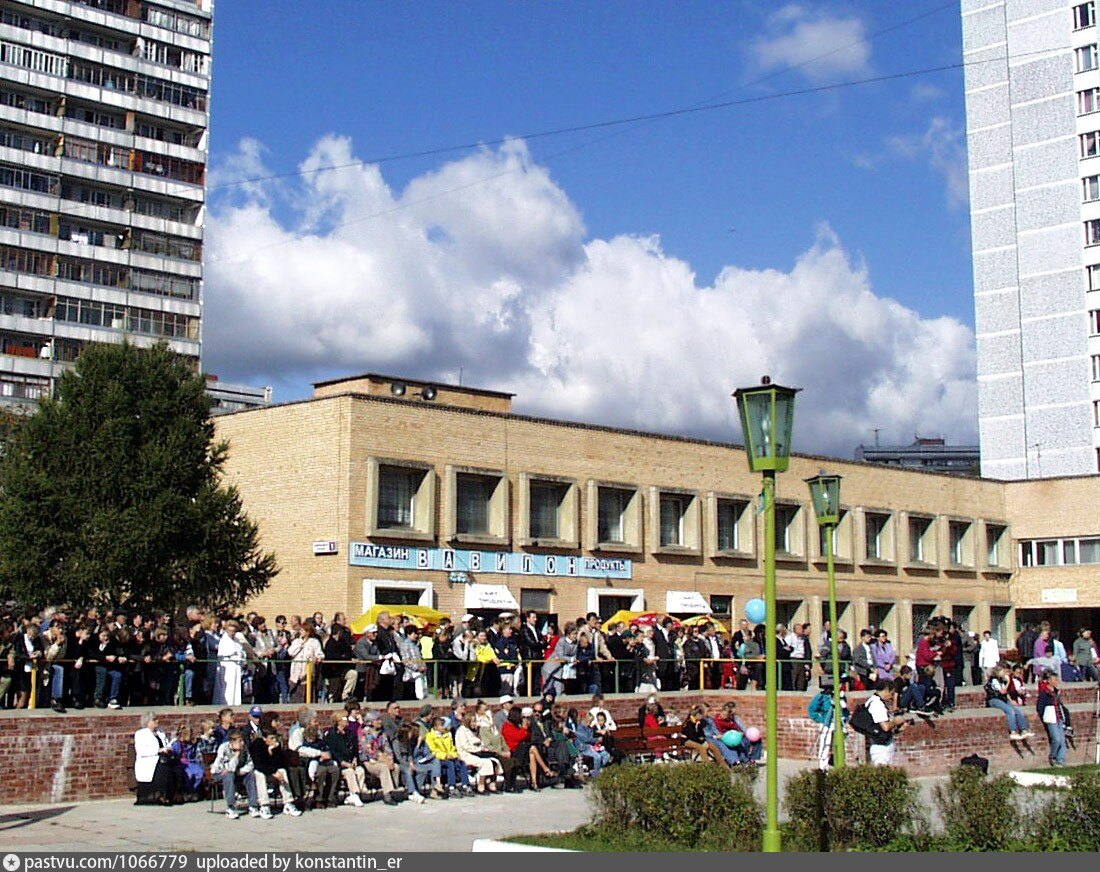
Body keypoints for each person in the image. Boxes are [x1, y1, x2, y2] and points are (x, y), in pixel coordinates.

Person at [856, 679, 910, 766]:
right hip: (881, 748)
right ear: (886, 690)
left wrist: (898, 729)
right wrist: (896, 721)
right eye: (891, 693)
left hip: (882, 744)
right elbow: (885, 727)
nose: (892, 697)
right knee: (883, 771)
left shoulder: (874, 701)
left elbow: (881, 729)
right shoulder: (877, 704)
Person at [209, 729, 261, 819]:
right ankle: (231, 807)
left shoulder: (244, 748)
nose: (242, 743)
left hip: (236, 772)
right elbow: (221, 768)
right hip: (218, 773)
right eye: (239, 741)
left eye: (242, 740)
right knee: (229, 775)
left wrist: (241, 771)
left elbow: (250, 763)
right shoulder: (223, 748)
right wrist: (236, 755)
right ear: (232, 742)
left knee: (250, 774)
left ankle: (253, 806)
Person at [133, 712, 182, 805]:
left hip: (163, 758)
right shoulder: (141, 734)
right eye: (154, 720)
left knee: (175, 764)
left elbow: (166, 744)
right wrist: (158, 751)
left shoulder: (160, 732)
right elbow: (142, 751)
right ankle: (161, 795)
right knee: (163, 766)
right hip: (149, 760)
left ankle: (172, 795)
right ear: (148, 722)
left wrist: (168, 748)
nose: (157, 721)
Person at [985, 665, 1034, 741]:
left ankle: (1024, 729)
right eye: (1004, 672)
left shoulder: (1002, 680)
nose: (1006, 674)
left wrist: (1011, 701)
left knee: (1017, 710)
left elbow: (1006, 694)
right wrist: (1008, 682)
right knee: (1009, 711)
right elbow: (1002, 691)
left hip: (1003, 699)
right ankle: (1013, 731)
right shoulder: (994, 680)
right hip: (994, 699)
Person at [808, 687, 849, 770]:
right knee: (825, 744)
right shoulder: (822, 696)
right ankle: (823, 767)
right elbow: (812, 709)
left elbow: (845, 711)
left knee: (842, 743)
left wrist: (844, 717)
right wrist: (821, 719)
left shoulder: (841, 695)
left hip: (839, 722)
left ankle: (840, 763)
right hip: (827, 723)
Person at [1036, 668, 1068, 767]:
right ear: (1049, 681)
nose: (1056, 681)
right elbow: (1040, 707)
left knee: (1062, 741)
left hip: (1059, 718)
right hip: (1051, 718)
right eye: (1054, 680)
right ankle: (1052, 756)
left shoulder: (1056, 692)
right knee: (1056, 739)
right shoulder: (1045, 693)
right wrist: (1045, 716)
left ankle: (1060, 760)